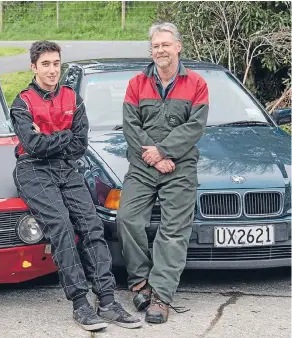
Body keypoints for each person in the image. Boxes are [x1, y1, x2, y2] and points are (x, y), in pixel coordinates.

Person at [10, 40, 142, 332]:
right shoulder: (22, 103)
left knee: (92, 226)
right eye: (45, 64)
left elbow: (80, 143)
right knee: (62, 227)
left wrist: (50, 141)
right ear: (33, 67)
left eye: (56, 63)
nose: (52, 70)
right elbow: (31, 146)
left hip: (67, 169)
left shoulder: (73, 98)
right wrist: (62, 137)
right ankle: (80, 303)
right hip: (33, 171)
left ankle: (107, 301)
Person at [116, 22, 209, 324]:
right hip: (144, 164)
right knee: (127, 218)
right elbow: (131, 128)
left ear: (178, 47)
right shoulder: (136, 84)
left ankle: (161, 296)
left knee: (173, 230)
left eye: (166, 45)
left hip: (179, 167)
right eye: (156, 46)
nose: (160, 51)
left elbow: (194, 127)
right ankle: (140, 282)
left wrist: (166, 151)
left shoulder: (196, 84)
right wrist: (155, 157)